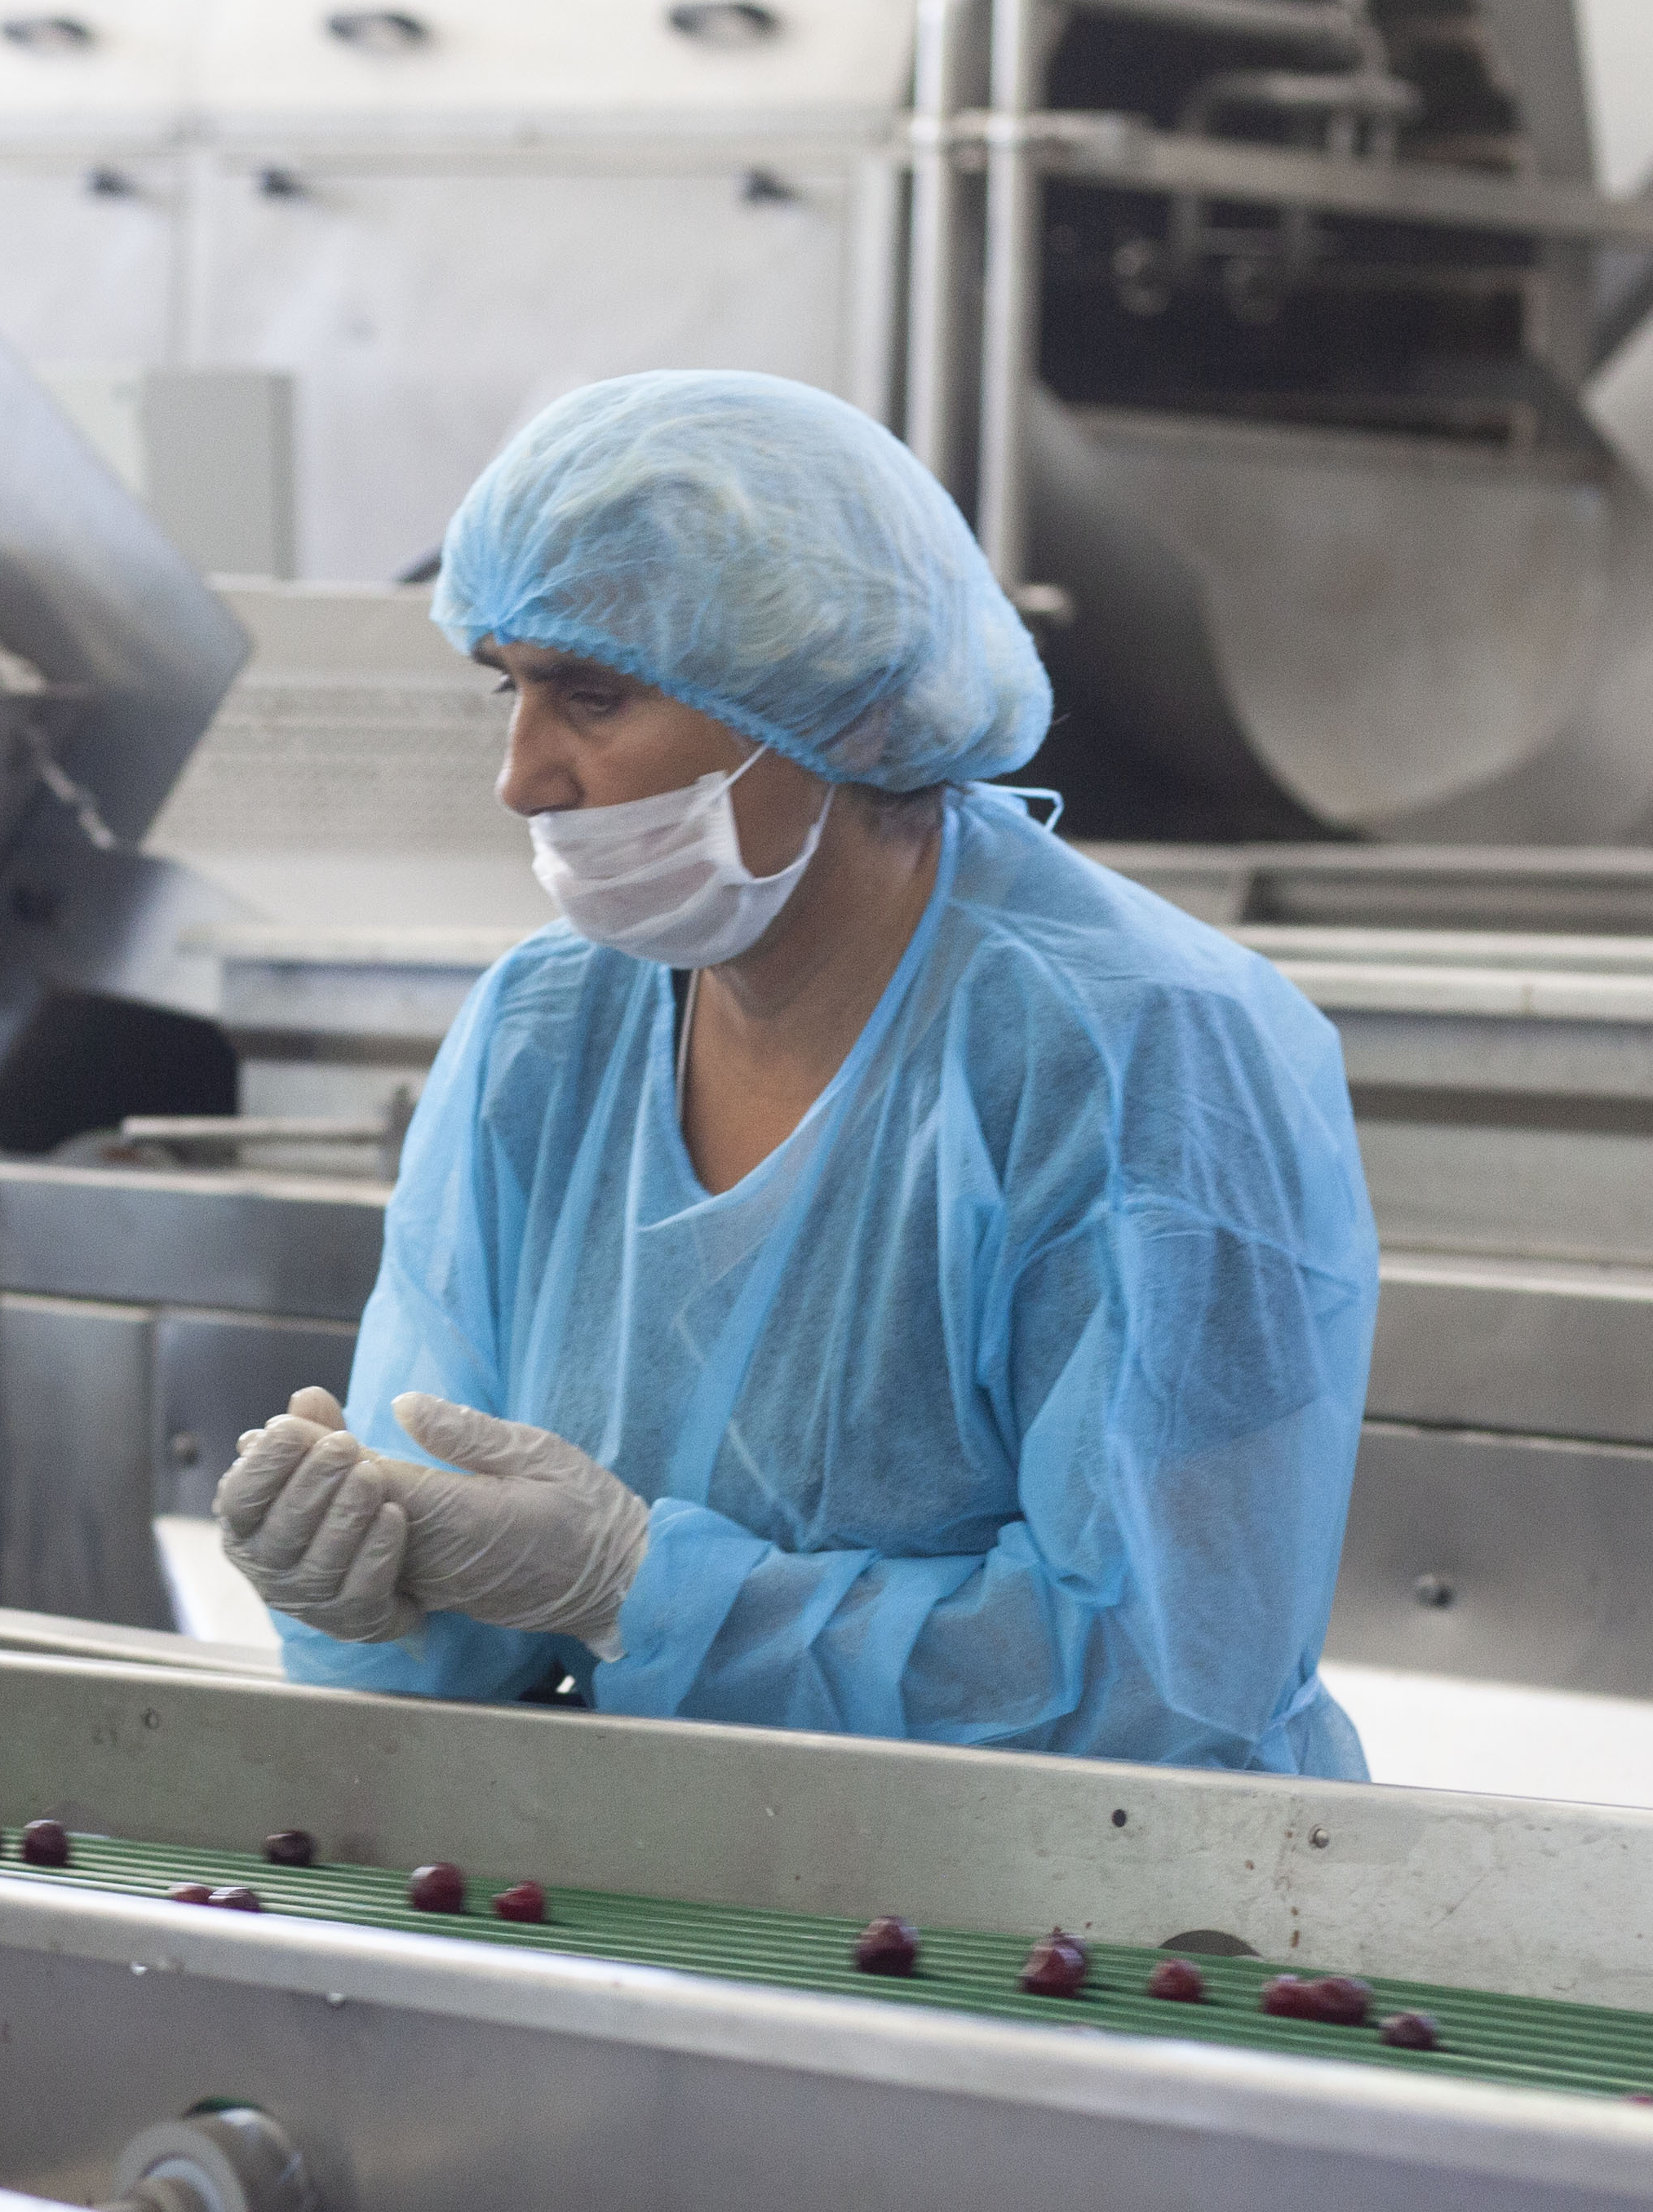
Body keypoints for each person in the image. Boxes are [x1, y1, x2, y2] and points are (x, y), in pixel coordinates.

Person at [215, 372, 1377, 1774]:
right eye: (507, 690)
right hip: (664, 1863)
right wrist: (369, 1578)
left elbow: (1164, 1689)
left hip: (1066, 1896)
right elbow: (469, 1632)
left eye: (592, 695)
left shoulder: (1135, 1053)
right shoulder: (547, 1033)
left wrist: (636, 1588)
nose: (522, 776)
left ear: (851, 711)